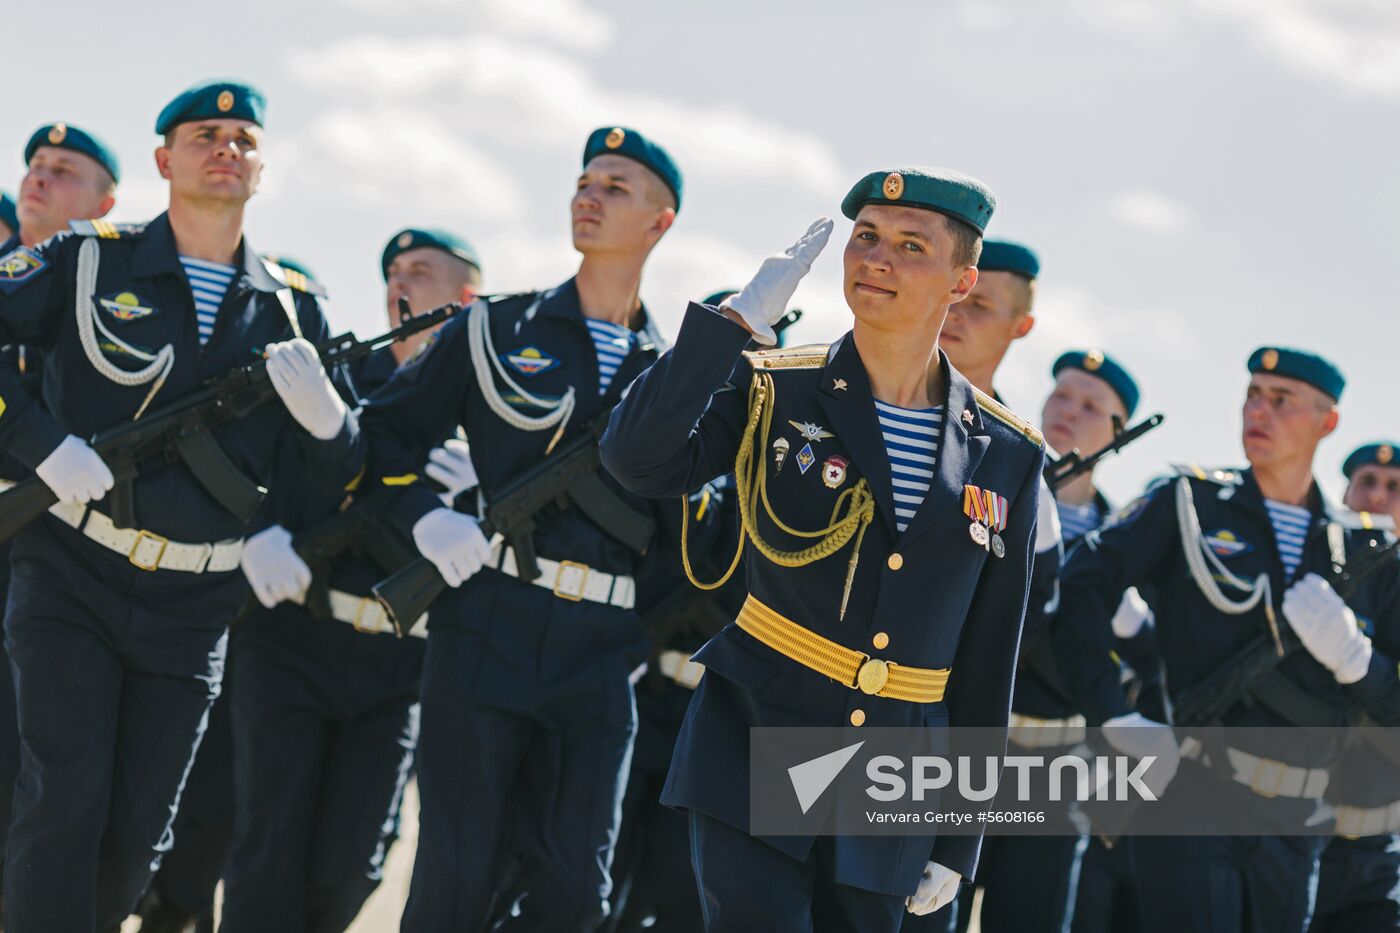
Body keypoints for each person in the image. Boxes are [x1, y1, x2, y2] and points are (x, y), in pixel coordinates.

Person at [601, 167, 1047, 932]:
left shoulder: (1007, 451)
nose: (876, 256)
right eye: (866, 236)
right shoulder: (777, 388)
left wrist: (959, 835)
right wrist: (730, 328)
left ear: (961, 279)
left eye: (911, 245)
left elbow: (986, 657)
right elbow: (636, 459)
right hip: (762, 735)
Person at [0, 79, 360, 932]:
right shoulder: (88, 259)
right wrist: (36, 439)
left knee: (135, 835)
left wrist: (332, 427)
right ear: (166, 160)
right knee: (65, 803)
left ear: (262, 167)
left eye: (243, 137)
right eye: (205, 134)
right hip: (72, 574)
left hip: (194, 604)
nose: (225, 148)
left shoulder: (291, 305)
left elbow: (331, 476)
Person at [353, 126, 680, 931]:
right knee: (454, 882)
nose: (588, 195)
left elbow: (690, 538)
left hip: (602, 648)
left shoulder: (675, 374)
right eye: (584, 180)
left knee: (575, 893)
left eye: (615, 186)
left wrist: (639, 634)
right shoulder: (495, 329)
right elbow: (383, 441)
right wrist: (422, 516)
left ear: (661, 222)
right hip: (486, 626)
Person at [1054, 348, 1400, 933]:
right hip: (1193, 792)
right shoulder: (1189, 501)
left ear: (1328, 422)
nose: (1258, 411)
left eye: (1281, 400)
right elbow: (1082, 584)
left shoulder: (1367, 549)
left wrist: (1358, 662)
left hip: (1299, 822)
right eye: (1252, 395)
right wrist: (1110, 713)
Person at [217, 229, 480, 933]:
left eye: (421, 271)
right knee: (267, 851)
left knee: (354, 862)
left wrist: (480, 496)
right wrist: (254, 535)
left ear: (466, 298)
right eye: (392, 270)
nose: (401, 282)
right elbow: (251, 464)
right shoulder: (337, 380)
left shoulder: (488, 414)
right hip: (292, 638)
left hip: (399, 665)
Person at [1308, 441, 1400, 933]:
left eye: (1394, 487)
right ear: (1345, 491)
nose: (1378, 496)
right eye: (1367, 481)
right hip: (1286, 832)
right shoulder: (1311, 567)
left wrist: (1358, 660)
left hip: (1376, 854)